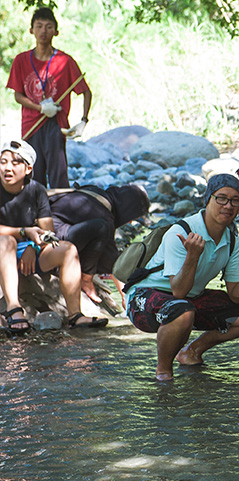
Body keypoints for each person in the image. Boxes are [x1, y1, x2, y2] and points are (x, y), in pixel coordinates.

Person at [125, 174, 239, 381]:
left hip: (187, 301)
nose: (228, 205)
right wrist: (192, 256)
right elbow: (179, 292)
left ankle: (191, 352)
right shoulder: (181, 232)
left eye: (235, 200)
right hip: (145, 298)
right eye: (221, 198)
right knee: (182, 310)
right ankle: (164, 371)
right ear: (208, 199)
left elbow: (236, 295)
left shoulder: (232, 241)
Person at [0, 140, 106, 333]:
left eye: (15, 163)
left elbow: (48, 232)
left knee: (68, 250)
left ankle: (75, 315)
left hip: (27, 248)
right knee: (5, 242)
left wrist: (34, 246)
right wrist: (23, 232)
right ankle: (13, 309)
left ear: (28, 168)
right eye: (3, 162)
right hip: (3, 248)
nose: (7, 168)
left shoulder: (37, 190)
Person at [5, 7, 92, 189]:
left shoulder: (64, 61)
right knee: (33, 175)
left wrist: (83, 120)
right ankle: (37, 215)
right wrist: (40, 108)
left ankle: (62, 213)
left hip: (56, 124)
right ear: (31, 30)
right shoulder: (21, 60)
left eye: (48, 27)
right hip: (31, 125)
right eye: (39, 26)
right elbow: (18, 95)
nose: (43, 31)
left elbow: (86, 91)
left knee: (58, 174)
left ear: (56, 31)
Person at [48, 184, 150, 305]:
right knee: (102, 230)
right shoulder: (104, 216)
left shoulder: (96, 192)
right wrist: (125, 295)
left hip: (45, 228)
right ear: (127, 208)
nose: (131, 221)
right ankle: (86, 279)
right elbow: (113, 261)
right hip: (54, 239)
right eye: (132, 216)